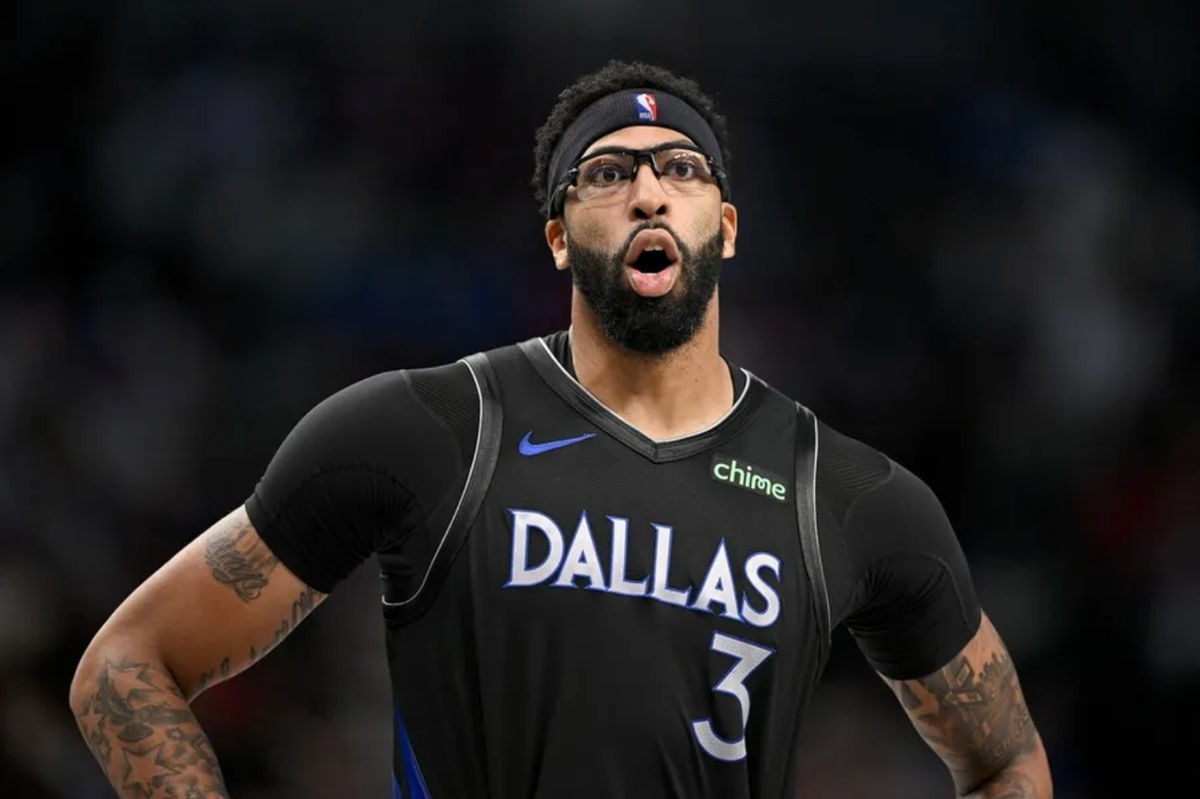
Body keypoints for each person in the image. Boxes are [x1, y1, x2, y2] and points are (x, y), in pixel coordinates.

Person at [70, 60, 1052, 798]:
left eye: (680, 168)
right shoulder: (428, 427)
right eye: (606, 173)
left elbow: (1006, 754)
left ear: (728, 225)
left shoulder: (846, 493)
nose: (648, 190)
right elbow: (125, 665)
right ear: (557, 233)